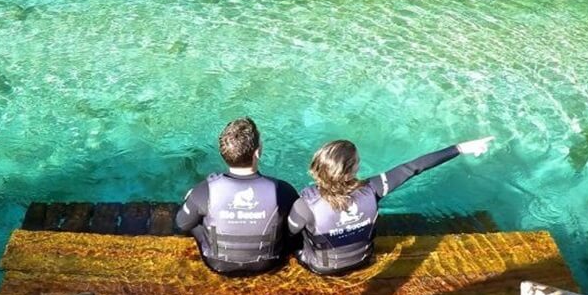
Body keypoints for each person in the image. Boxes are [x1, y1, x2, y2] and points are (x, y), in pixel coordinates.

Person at [287, 136, 494, 275]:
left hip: (319, 267)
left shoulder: (306, 202)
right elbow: (413, 167)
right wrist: (460, 148)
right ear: (352, 169)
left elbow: (289, 232)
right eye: (358, 161)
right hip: (363, 259)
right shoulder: (374, 189)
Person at [175, 117, 299, 275]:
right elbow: (295, 229)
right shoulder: (282, 189)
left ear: (223, 153)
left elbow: (182, 224)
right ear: (257, 152)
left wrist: (192, 198)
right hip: (268, 263)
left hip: (217, 263)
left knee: (195, 216)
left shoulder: (205, 190)